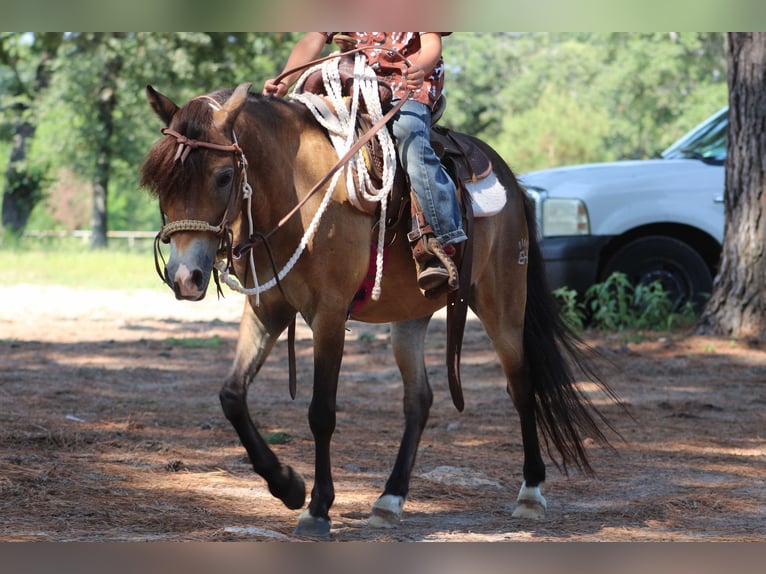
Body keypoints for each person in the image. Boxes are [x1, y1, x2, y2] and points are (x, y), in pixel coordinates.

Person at [263, 32, 467, 293]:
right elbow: (314, 36)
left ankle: (441, 236)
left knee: (409, 137)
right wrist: (285, 80)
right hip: (349, 79)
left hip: (404, 86)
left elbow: (431, 42)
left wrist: (420, 68)